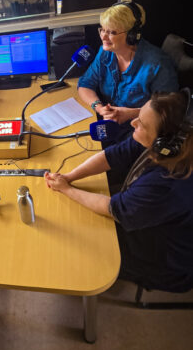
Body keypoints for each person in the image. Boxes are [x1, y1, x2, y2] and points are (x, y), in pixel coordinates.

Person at [44, 90, 193, 293]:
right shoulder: (169, 144)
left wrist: (66, 189)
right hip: (154, 223)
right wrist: (70, 176)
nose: (133, 123)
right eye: (139, 116)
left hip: (167, 263)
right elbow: (113, 155)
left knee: (80, 238)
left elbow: (114, 208)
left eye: (142, 124)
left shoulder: (167, 184)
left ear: (165, 144)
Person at [77, 2, 178, 141]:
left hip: (138, 134)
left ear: (132, 35)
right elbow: (85, 84)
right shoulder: (105, 53)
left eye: (112, 32)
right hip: (109, 127)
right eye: (103, 30)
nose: (103, 37)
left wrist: (131, 113)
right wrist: (99, 108)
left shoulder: (158, 65)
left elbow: (168, 111)